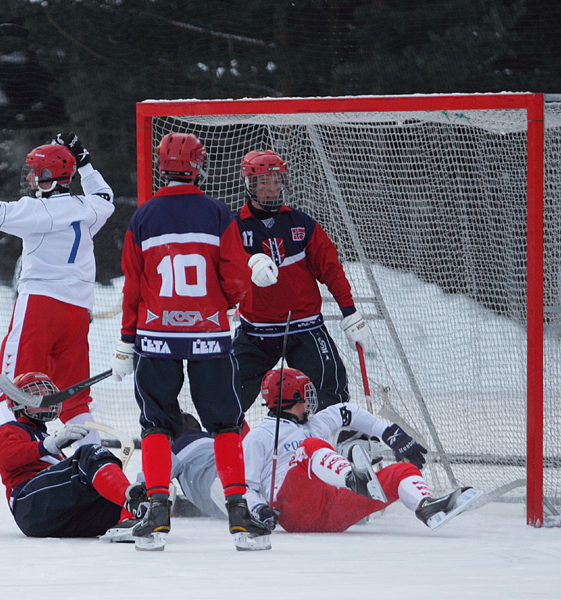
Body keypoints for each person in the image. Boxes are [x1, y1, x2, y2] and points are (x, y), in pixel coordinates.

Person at [110, 131, 274, 551]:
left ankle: (158, 511)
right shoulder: (219, 214)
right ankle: (239, 512)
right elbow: (236, 280)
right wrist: (227, 302)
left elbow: (133, 287)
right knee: (225, 423)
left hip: (156, 337)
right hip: (209, 336)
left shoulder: (142, 218)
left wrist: (127, 341)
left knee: (157, 424)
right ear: (198, 166)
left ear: (161, 167)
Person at [0, 133, 113, 449]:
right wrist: (83, 158)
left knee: (12, 390)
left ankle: (18, 453)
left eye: (36, 172)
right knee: (75, 400)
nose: (31, 177)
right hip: (77, 313)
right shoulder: (91, 209)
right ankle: (98, 464)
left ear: (48, 179)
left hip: (41, 310)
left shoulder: (38, 212)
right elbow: (105, 195)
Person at [241, 366, 481, 533]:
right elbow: (247, 488)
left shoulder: (316, 422)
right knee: (311, 447)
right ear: (290, 397)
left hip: (332, 509)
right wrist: (259, 510)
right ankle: (354, 478)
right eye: (305, 394)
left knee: (400, 470)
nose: (309, 399)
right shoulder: (260, 437)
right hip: (294, 512)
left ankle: (426, 506)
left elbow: (349, 411)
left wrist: (389, 433)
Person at [233, 149, 371, 411]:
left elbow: (330, 268)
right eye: (263, 183)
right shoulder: (235, 227)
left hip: (304, 328)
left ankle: (334, 446)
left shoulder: (303, 224)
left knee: (330, 391)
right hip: (255, 332)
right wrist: (248, 262)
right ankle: (232, 449)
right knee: (225, 394)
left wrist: (350, 312)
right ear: (249, 185)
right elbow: (222, 264)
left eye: (276, 181)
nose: (271, 189)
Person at [0, 372, 148, 538]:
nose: (46, 402)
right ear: (18, 403)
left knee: (108, 496)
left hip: (60, 516)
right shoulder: (11, 429)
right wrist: (50, 445)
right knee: (89, 454)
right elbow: (7, 457)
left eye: (49, 396)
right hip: (30, 506)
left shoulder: (48, 441)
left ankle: (133, 519)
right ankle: (130, 500)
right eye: (38, 396)